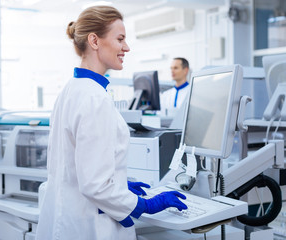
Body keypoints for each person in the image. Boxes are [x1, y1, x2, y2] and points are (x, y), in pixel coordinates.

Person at [35, 6, 187, 240]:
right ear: (94, 41)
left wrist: (120, 184)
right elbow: (95, 186)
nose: (126, 47)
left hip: (70, 218)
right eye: (120, 39)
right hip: (91, 227)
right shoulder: (94, 99)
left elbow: (77, 166)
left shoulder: (71, 89)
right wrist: (144, 205)